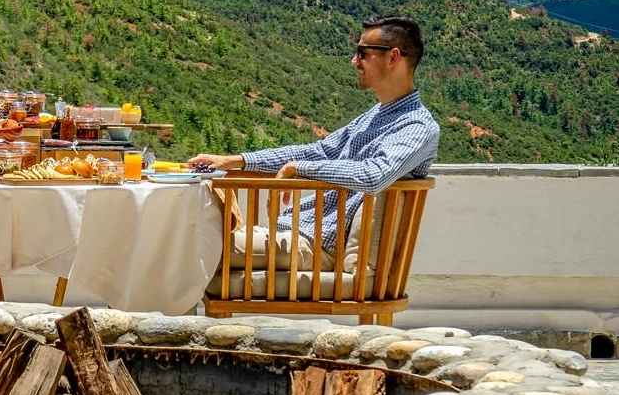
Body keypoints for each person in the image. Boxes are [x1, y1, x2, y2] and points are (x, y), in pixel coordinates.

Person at [187, 15, 441, 264]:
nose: (354, 61)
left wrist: (299, 169)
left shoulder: (417, 126)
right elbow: (317, 151)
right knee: (190, 234)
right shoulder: (375, 115)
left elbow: (373, 176)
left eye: (363, 53)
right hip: (301, 232)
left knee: (191, 243)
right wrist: (235, 161)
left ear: (393, 57)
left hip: (319, 245)